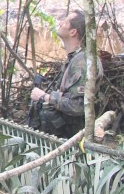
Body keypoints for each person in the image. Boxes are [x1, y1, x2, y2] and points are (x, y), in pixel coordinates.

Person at [30, 9, 97, 137]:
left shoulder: (82, 61)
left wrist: (45, 97)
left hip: (72, 139)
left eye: (65, 22)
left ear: (73, 32)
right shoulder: (75, 59)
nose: (60, 23)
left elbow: (77, 106)